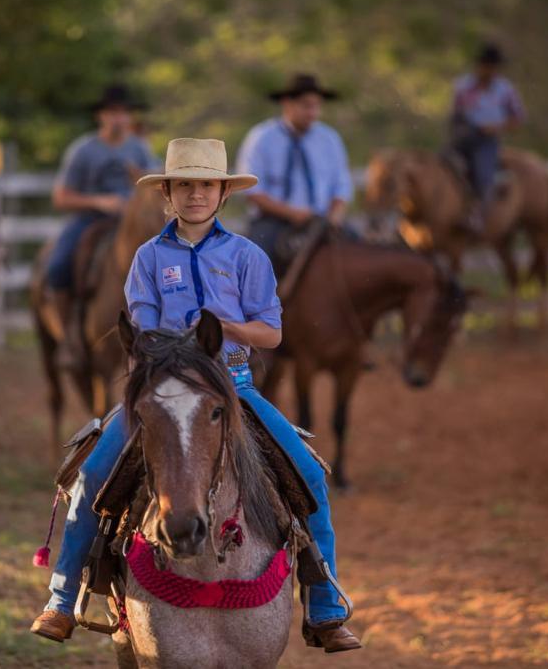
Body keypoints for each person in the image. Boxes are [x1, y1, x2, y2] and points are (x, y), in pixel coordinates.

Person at [31, 138, 362, 653]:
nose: (195, 195)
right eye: (184, 185)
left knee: (309, 473)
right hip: (163, 387)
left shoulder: (247, 256)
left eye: (206, 185)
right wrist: (165, 360)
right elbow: (140, 327)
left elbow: (272, 333)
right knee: (92, 473)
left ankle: (324, 603)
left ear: (223, 193)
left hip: (234, 386)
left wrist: (227, 327)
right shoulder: (147, 257)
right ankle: (63, 596)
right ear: (167, 193)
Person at [43, 84, 159, 365]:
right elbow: (61, 197)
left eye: (124, 113)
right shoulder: (83, 150)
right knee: (58, 265)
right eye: (113, 113)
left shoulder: (140, 149)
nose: (119, 119)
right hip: (91, 218)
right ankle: (69, 336)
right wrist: (98, 202)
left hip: (132, 221)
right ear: (101, 116)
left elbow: (155, 182)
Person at [236, 73, 354, 264]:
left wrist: (334, 216)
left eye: (317, 106)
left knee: (360, 253)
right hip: (273, 221)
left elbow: (341, 185)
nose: (313, 113)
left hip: (322, 220)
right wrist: (293, 214)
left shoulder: (329, 139)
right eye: (306, 105)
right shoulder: (261, 138)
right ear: (287, 103)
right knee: (254, 262)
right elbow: (253, 190)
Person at [448, 43, 526, 232]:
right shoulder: (463, 86)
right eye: (488, 66)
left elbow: (518, 118)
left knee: (483, 175)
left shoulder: (504, 90)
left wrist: (497, 127)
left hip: (487, 140)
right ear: (480, 66)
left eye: (494, 67)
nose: (491, 71)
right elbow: (454, 113)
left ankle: (478, 217)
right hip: (464, 136)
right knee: (444, 165)